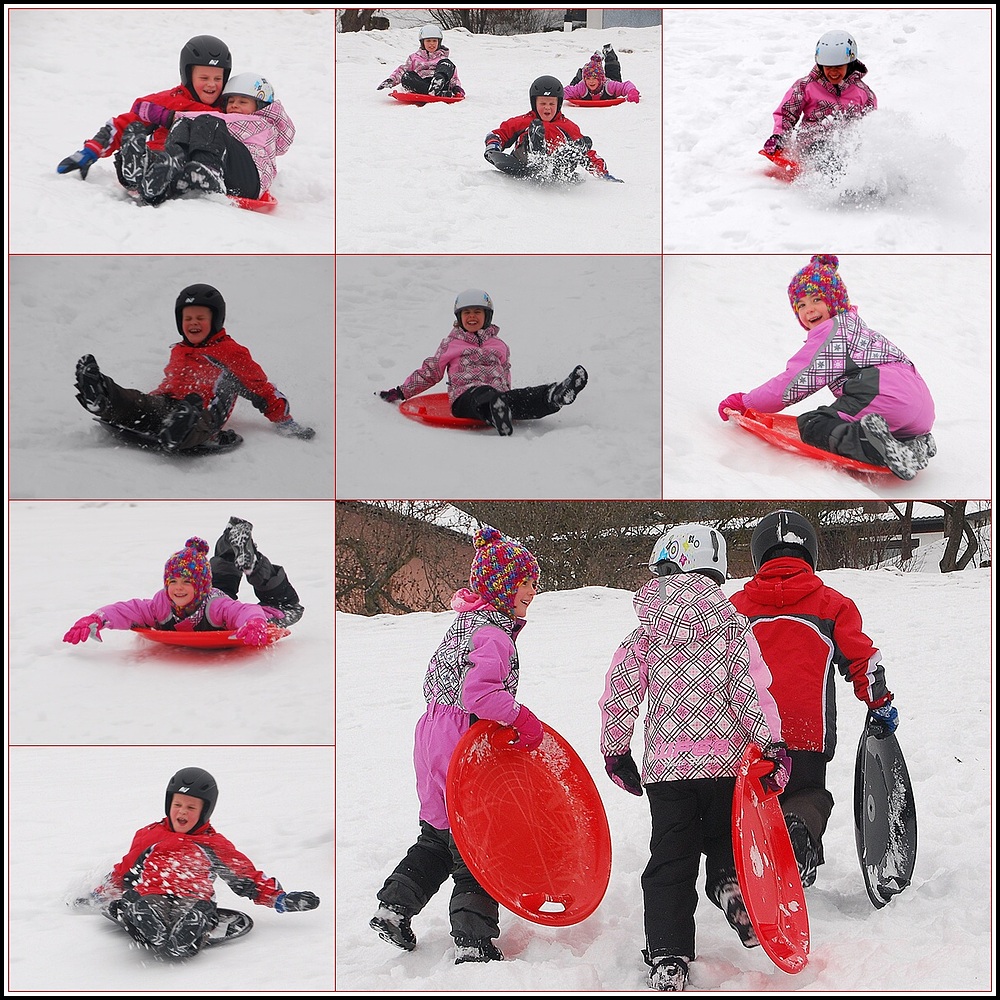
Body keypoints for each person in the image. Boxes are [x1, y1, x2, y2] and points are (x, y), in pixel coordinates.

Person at [599, 524, 790, 992]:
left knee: (672, 856)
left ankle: (668, 954)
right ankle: (729, 887)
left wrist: (617, 751)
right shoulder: (731, 624)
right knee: (726, 839)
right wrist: (770, 747)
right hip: (725, 762)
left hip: (668, 769)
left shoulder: (644, 630)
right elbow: (751, 691)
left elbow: (620, 692)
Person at [369, 526, 545, 965]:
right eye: (525, 582)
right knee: (477, 840)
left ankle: (394, 907)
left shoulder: (464, 624)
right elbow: (480, 694)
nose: (532, 591)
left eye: (534, 583)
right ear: (502, 587)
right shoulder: (493, 634)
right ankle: (473, 938)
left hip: (431, 736)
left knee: (438, 833)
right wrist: (521, 717)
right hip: (462, 742)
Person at [730, 509, 899, 890]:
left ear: (759, 554)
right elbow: (862, 660)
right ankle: (800, 829)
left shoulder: (737, 607)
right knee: (809, 793)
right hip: (809, 731)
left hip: (749, 731)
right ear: (810, 552)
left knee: (756, 798)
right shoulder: (831, 605)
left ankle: (754, 869)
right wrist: (880, 703)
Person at [717, 255, 936, 480]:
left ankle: (876, 450)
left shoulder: (831, 333)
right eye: (800, 305)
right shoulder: (854, 326)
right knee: (855, 415)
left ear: (834, 301)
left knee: (813, 424)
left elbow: (794, 382)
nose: (808, 310)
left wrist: (746, 403)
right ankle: (913, 444)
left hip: (884, 395)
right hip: (921, 409)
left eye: (816, 300)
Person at [77, 766, 319, 958]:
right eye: (177, 805)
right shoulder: (150, 836)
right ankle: (139, 916)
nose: (182, 812)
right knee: (144, 905)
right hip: (152, 895)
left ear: (206, 811)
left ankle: (192, 928)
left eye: (191, 807)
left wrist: (281, 899)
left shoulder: (214, 845)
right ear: (168, 804)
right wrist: (99, 895)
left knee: (194, 913)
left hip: (193, 899)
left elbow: (247, 878)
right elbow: (125, 872)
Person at [73, 283, 315, 453]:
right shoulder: (179, 349)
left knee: (194, 419)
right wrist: (152, 400)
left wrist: (285, 421)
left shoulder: (231, 352)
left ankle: (179, 429)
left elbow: (260, 388)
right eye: (188, 319)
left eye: (200, 318)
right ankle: (104, 396)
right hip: (167, 402)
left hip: (204, 411)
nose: (193, 323)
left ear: (216, 320)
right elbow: (168, 384)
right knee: (140, 404)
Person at [55, 34, 260, 200]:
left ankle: (156, 171)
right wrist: (91, 150)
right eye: (204, 78)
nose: (211, 84)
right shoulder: (170, 101)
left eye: (218, 78)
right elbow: (125, 122)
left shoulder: (229, 107)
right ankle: (138, 167)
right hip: (162, 158)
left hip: (195, 169)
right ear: (187, 76)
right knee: (143, 140)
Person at [376, 287, 588, 437]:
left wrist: (508, 395)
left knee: (521, 399)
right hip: (465, 398)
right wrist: (401, 392)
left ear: (487, 316)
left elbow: (505, 373)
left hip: (498, 395)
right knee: (483, 395)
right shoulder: (451, 343)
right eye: (466, 313)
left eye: (477, 312)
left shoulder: (499, 345)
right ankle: (496, 410)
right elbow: (431, 371)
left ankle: (554, 395)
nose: (471, 317)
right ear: (459, 318)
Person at [62, 523, 303, 646]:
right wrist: (96, 619)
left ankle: (254, 563)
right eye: (173, 582)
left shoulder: (217, 606)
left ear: (199, 587)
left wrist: (254, 623)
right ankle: (230, 542)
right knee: (220, 582)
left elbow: (242, 611)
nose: (178, 587)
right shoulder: (162, 604)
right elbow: (129, 609)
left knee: (282, 605)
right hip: (212, 595)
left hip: (241, 609)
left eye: (186, 582)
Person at [119, 71, 296, 205]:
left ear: (259, 106)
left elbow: (217, 120)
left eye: (243, 102)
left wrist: (165, 116)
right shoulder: (234, 123)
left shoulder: (261, 123)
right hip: (232, 174)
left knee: (207, 122)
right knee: (185, 126)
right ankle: (156, 167)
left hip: (250, 181)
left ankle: (208, 170)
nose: (234, 105)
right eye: (231, 101)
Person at [761, 30, 877, 165]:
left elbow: (871, 123)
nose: (833, 72)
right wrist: (778, 137)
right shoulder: (806, 86)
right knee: (827, 154)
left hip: (848, 146)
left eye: (838, 67)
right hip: (813, 144)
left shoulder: (863, 92)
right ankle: (837, 181)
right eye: (828, 67)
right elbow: (786, 113)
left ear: (850, 64)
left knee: (859, 158)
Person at [484, 76, 622, 182]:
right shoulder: (524, 121)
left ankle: (563, 159)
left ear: (559, 104)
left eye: (551, 103)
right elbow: (498, 134)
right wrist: (493, 147)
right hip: (525, 160)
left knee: (578, 146)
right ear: (534, 103)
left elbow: (589, 154)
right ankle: (537, 151)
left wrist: (603, 174)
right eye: (542, 103)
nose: (547, 108)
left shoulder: (568, 126)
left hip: (556, 166)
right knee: (535, 129)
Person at [376, 23, 465, 98]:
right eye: (428, 41)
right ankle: (434, 92)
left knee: (447, 64)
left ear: (439, 42)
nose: (431, 44)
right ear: (422, 42)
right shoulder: (414, 58)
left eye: (434, 41)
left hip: (440, 84)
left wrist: (456, 88)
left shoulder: (443, 59)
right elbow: (402, 70)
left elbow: (453, 77)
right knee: (406, 76)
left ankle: (437, 85)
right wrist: (391, 80)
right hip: (420, 84)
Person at [564, 50, 640, 103]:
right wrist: (557, 96)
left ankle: (609, 53)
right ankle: (596, 58)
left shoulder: (609, 86)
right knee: (576, 80)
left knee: (614, 73)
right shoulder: (582, 87)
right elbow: (567, 91)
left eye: (594, 78)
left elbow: (625, 86)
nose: (591, 81)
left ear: (600, 79)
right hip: (583, 79)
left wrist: (632, 91)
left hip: (607, 82)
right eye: (588, 78)